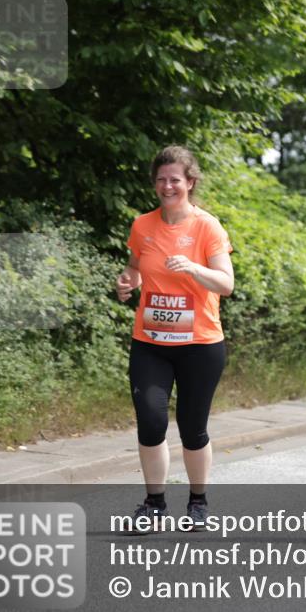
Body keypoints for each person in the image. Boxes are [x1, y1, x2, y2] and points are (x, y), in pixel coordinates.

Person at [115, 145, 234, 532]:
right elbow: (135, 268)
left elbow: (227, 283)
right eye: (161, 179)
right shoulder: (143, 225)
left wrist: (194, 268)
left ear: (190, 183)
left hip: (200, 343)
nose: (168, 186)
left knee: (192, 426)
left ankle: (198, 501)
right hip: (151, 341)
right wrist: (127, 282)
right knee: (150, 421)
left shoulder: (206, 226)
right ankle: (154, 503)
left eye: (176, 180)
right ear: (155, 184)